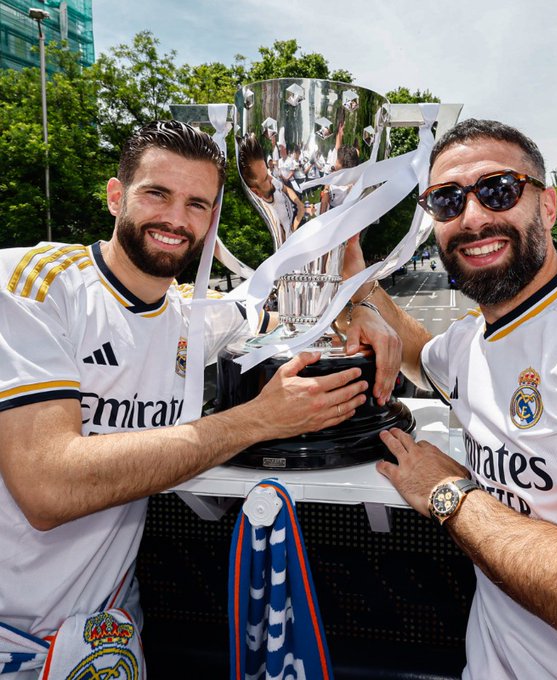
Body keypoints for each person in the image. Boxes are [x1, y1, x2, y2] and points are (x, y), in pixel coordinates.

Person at [0, 120, 400, 678]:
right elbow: (48, 487)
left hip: (106, 631)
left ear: (212, 218)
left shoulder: (193, 314)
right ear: (116, 197)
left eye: (197, 204)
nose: (176, 219)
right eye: (156, 194)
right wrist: (256, 421)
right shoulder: (31, 283)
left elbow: (293, 321)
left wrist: (363, 311)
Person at [344, 119, 557, 678]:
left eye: (498, 190)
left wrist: (449, 494)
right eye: (447, 202)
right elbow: (420, 353)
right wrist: (360, 284)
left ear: (546, 205)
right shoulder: (469, 340)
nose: (472, 218)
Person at [238, 134, 305, 242]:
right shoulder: (269, 215)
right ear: (256, 192)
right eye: (265, 179)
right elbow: (286, 240)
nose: (271, 179)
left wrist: (298, 202)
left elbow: (286, 189)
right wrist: (299, 215)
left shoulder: (269, 182)